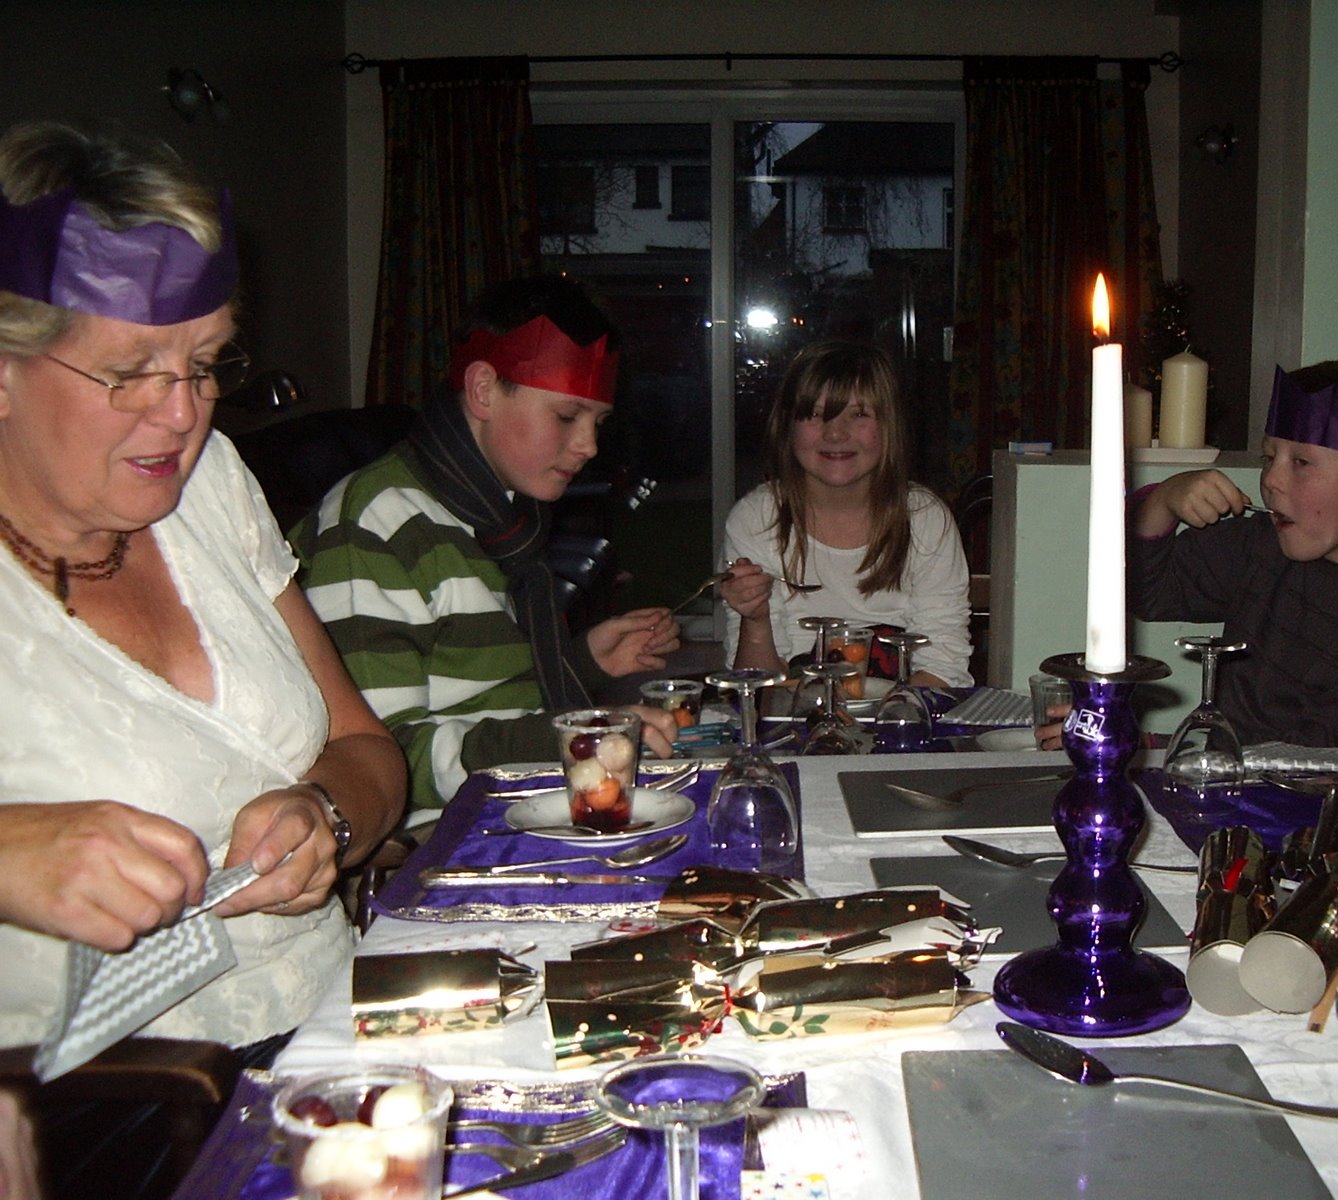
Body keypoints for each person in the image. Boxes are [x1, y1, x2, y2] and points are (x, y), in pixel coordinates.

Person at [0, 120, 406, 1195]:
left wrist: (325, 819)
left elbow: (366, 750)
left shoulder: (210, 483)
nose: (181, 414)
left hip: (335, 1044)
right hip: (113, 1117)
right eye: (129, 372)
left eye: (206, 364)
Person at [293, 276, 680, 812]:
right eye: (567, 416)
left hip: (512, 800)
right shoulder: (378, 524)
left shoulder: (500, 514)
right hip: (444, 833)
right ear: (482, 390)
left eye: (598, 421)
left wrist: (583, 661)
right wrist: (569, 739)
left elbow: (483, 692)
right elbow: (378, 764)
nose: (590, 445)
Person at [1121, 360, 1338, 747]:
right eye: (1269, 457)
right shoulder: (1260, 545)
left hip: (1300, 784)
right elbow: (1146, 593)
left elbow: (1320, 758)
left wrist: (1168, 754)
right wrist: (1164, 500)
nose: (1271, 480)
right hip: (1228, 774)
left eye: (1301, 462)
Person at [720, 340, 973, 688]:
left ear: (889, 426)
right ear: (788, 425)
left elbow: (944, 665)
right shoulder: (757, 520)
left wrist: (889, 714)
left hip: (904, 711)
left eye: (858, 414)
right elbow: (757, 688)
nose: (835, 433)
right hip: (792, 714)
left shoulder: (924, 519)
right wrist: (755, 619)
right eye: (815, 414)